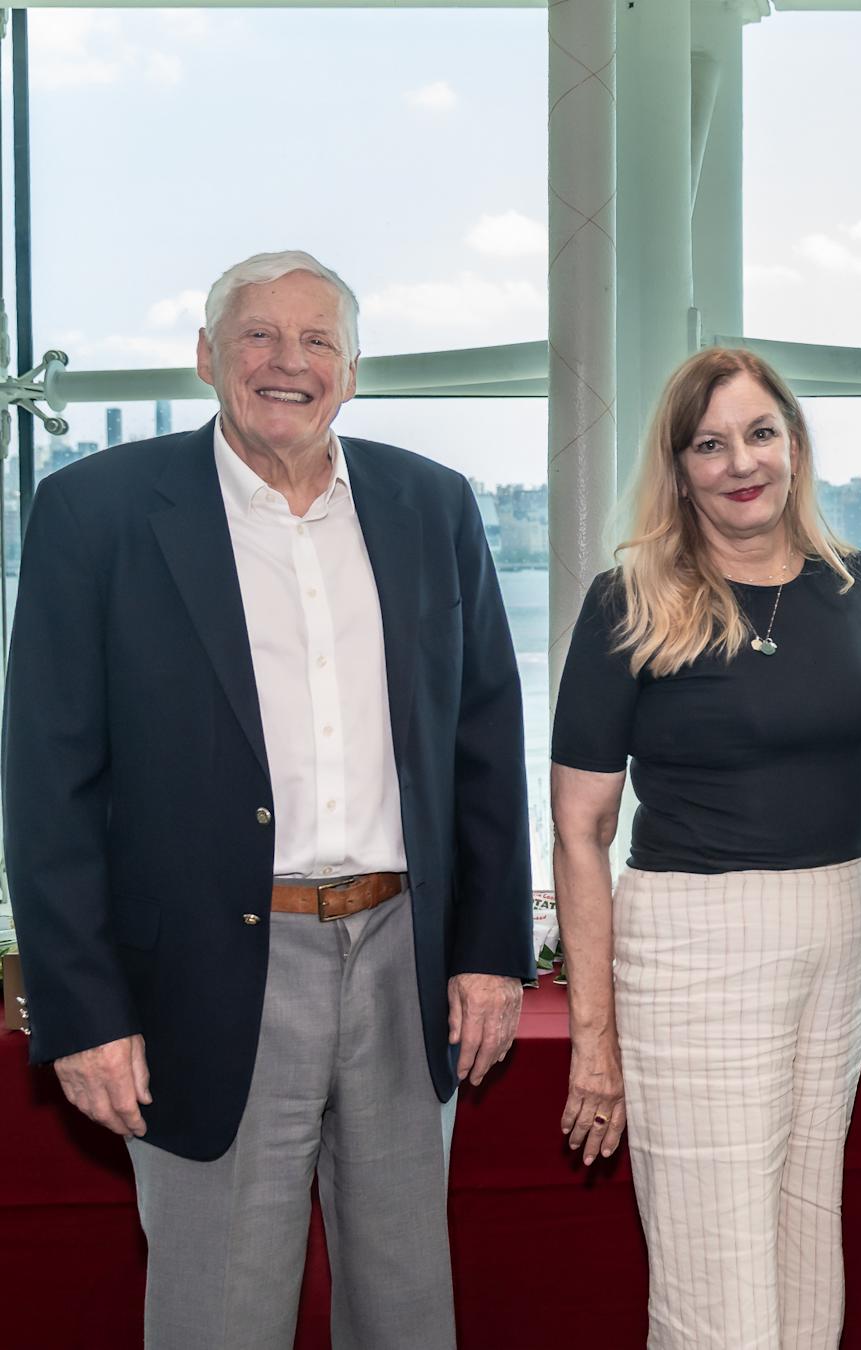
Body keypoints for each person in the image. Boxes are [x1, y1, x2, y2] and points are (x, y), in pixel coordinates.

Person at [3, 250, 531, 1349]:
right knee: (219, 1317)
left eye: (318, 340)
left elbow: (484, 744)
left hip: (402, 962)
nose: (288, 362)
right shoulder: (96, 513)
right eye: (258, 336)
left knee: (408, 1314)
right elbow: (48, 783)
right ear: (206, 357)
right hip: (206, 972)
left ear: (350, 369)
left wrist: (490, 951)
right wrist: (84, 1013)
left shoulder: (432, 506)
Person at [549, 346, 861, 1348]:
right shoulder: (631, 598)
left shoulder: (852, 581)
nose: (741, 462)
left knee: (804, 1234)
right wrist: (593, 1040)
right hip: (698, 938)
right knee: (717, 1270)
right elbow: (581, 830)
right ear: (680, 464)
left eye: (759, 433)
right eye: (710, 443)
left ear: (793, 444)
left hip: (839, 921)